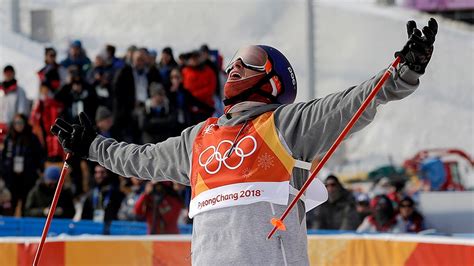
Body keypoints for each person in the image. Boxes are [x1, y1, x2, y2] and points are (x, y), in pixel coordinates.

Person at [51, 19, 437, 265]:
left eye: (249, 60)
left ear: (274, 81)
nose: (234, 66)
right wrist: (92, 146)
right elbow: (142, 159)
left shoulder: (288, 124)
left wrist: (403, 70)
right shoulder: (200, 138)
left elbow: (354, 102)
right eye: (233, 61)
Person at [112, 48, 162, 142]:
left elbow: (157, 87)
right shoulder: (124, 71)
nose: (141, 62)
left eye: (143, 59)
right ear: (133, 59)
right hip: (128, 111)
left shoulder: (150, 72)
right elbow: (117, 91)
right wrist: (130, 102)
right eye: (138, 59)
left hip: (146, 110)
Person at [1, 114, 45, 216]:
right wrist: (4, 172)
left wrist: (39, 170)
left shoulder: (32, 138)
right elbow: (3, 157)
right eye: (16, 123)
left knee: (26, 203)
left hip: (28, 177)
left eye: (21, 123)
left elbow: (39, 156)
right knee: (11, 203)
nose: (18, 126)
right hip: (12, 177)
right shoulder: (9, 138)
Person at [81, 164, 124, 234]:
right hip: (92, 231)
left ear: (107, 174)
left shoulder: (115, 193)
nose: (99, 175)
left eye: (102, 172)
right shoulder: (90, 194)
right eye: (97, 172)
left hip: (111, 231)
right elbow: (84, 216)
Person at [0, 65, 29, 145]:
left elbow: (22, 111)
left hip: (12, 128)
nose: (8, 75)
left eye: (10, 73)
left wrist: (16, 125)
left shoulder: (20, 91)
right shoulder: (1, 91)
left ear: (13, 74)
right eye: (6, 73)